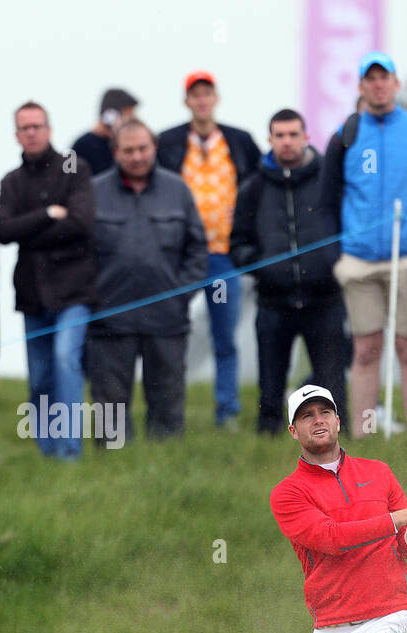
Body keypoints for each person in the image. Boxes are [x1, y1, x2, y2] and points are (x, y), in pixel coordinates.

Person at [319, 52, 407, 444]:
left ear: (396, 84)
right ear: (361, 87)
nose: (378, 85)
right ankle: (363, 436)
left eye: (385, 78)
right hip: (358, 261)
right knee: (365, 350)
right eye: (370, 79)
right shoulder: (345, 134)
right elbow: (325, 203)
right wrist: (335, 257)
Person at [270, 384, 407, 633]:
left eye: (325, 412)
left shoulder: (379, 471)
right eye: (306, 416)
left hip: (392, 615)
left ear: (337, 422)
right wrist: (402, 518)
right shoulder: (288, 493)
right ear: (293, 431)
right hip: (331, 627)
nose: (318, 420)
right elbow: (332, 539)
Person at [231, 108, 349, 436]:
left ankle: (343, 449)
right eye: (279, 135)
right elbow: (237, 243)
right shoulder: (252, 188)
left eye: (293, 134)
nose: (287, 142)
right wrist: (263, 266)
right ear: (269, 140)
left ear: (306, 137)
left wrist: (332, 261)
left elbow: (347, 229)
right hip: (273, 302)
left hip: (325, 299)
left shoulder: (331, 181)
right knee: (270, 389)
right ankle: (264, 446)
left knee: (333, 386)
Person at [87, 119, 206, 442]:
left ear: (154, 147)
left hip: (167, 318)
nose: (137, 156)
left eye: (143, 148)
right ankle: (110, 474)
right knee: (109, 411)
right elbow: (79, 253)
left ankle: (164, 472)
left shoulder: (177, 189)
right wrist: (94, 297)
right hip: (109, 319)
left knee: (167, 407)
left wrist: (181, 294)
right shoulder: (94, 192)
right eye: (128, 150)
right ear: (115, 152)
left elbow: (197, 249)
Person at [0, 101, 97, 461]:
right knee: (39, 377)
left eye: (37, 125)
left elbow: (82, 223)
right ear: (16, 135)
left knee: (65, 359)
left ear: (49, 129)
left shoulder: (74, 167)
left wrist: (29, 230)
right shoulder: (11, 181)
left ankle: (70, 453)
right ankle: (46, 453)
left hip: (74, 291)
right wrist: (49, 215)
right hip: (32, 293)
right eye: (24, 127)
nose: (31, 132)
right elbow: (2, 230)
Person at [157, 72, 262, 429]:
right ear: (187, 101)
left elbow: (260, 184)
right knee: (171, 334)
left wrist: (247, 218)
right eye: (194, 95)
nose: (202, 101)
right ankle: (170, 412)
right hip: (181, 257)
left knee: (225, 337)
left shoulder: (239, 141)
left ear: (216, 98)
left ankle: (227, 412)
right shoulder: (168, 142)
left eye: (207, 94)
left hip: (223, 257)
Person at [72, 88, 139, 177]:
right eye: (129, 116)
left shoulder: (118, 144)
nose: (133, 123)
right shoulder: (82, 146)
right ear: (110, 117)